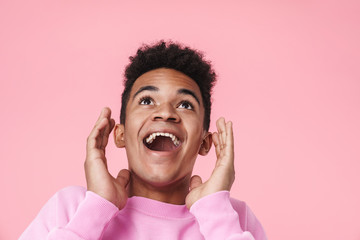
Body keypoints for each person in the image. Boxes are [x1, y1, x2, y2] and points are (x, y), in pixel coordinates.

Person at [19, 41, 267, 240]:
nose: (166, 112)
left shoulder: (233, 218)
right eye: (147, 101)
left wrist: (215, 212)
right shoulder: (73, 207)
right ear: (120, 134)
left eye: (185, 104)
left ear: (205, 142)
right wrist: (97, 207)